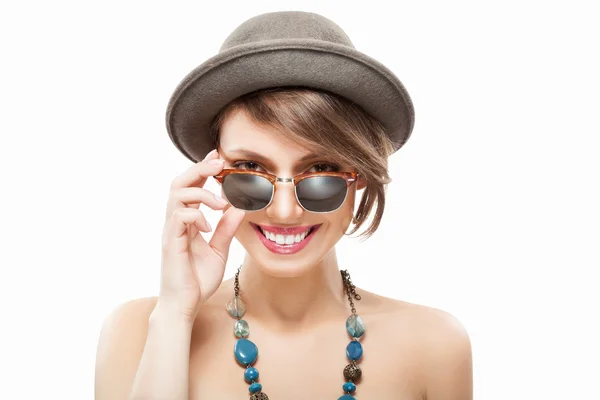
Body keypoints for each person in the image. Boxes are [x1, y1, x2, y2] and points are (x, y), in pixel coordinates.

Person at [94, 11, 472, 400]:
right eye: (251, 170)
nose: (285, 211)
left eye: (321, 170)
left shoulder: (435, 346)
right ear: (214, 174)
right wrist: (175, 315)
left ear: (358, 174)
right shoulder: (137, 332)